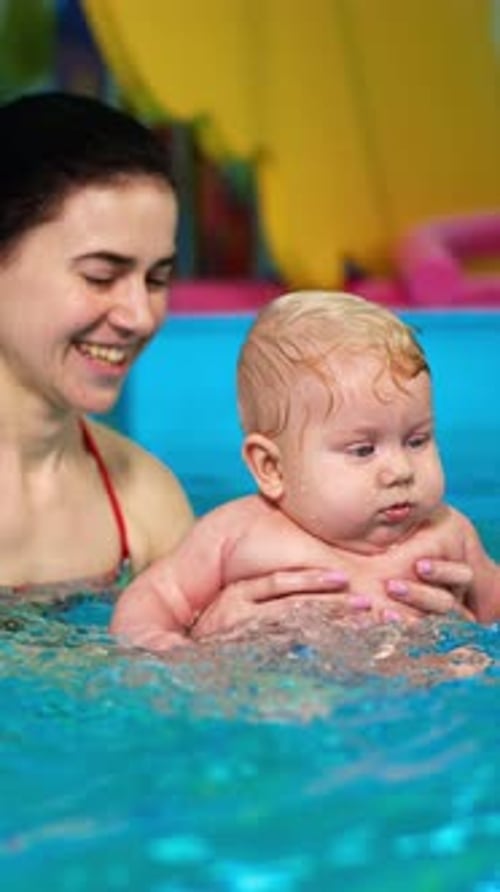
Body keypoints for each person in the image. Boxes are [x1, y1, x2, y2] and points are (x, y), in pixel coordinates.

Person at [0, 92, 470, 629]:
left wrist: (211, 645)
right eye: (100, 276)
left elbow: (160, 690)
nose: (139, 315)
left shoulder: (148, 507)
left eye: (157, 279)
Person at [110, 291, 500, 652]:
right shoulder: (237, 534)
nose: (400, 470)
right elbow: (153, 602)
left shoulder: (448, 532)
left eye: (417, 440)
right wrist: (176, 652)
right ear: (272, 467)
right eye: (363, 450)